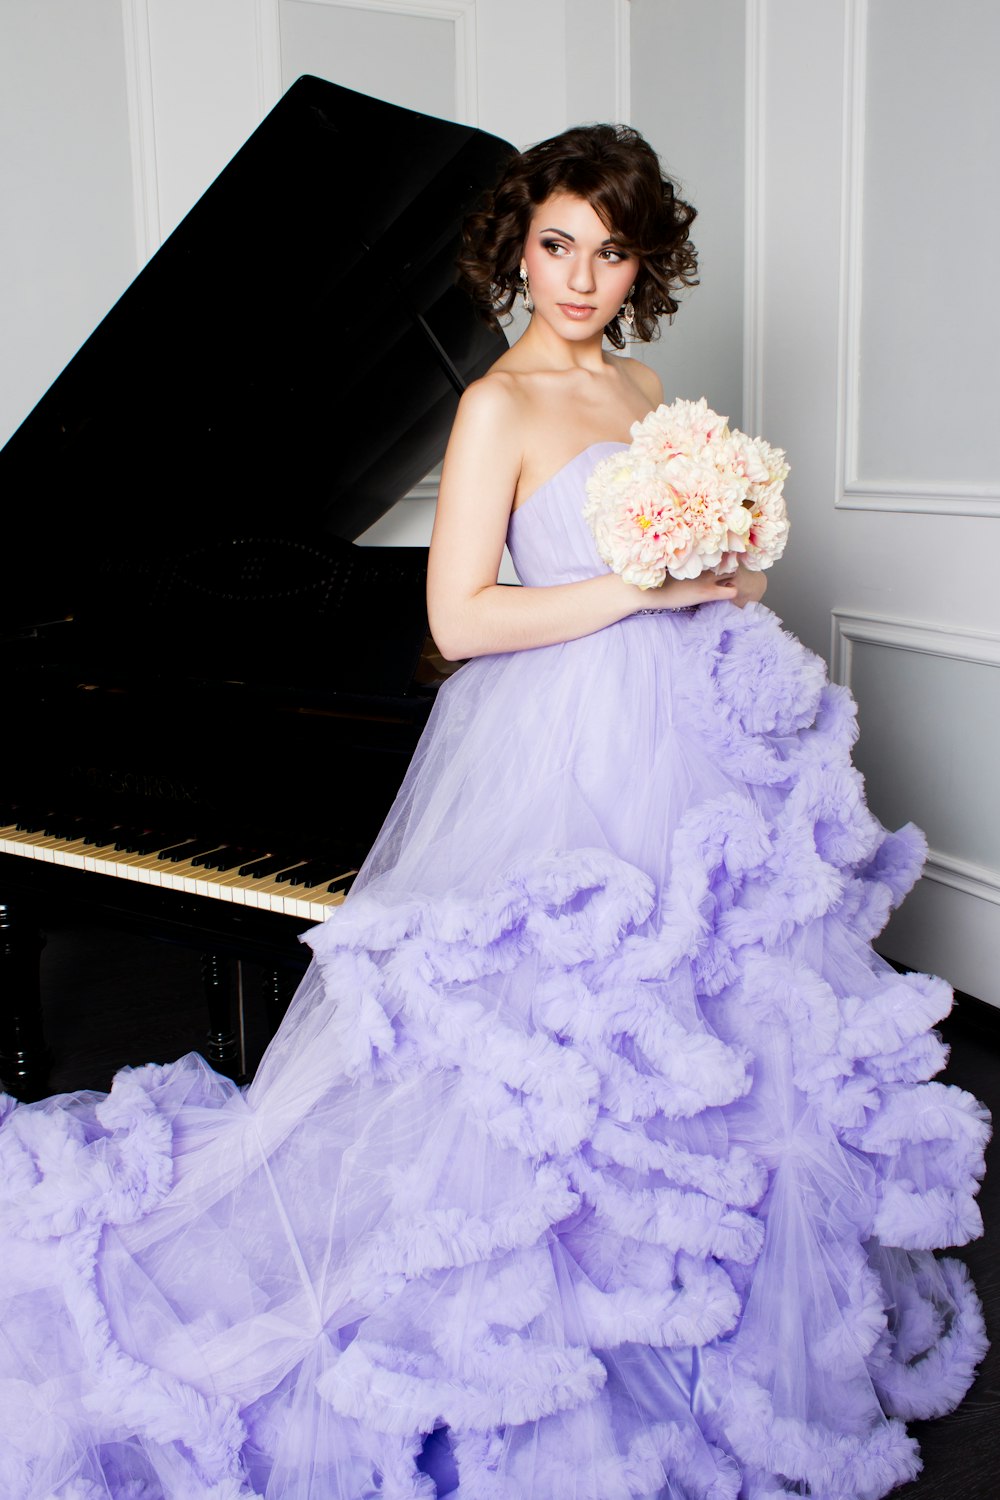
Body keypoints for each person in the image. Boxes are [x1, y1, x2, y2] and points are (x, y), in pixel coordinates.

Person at [0, 124, 988, 1500]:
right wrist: (640, 588)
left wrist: (722, 558)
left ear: (648, 262)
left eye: (611, 249)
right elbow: (461, 619)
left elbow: (701, 570)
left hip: (689, 743)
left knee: (712, 1014)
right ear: (518, 249)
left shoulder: (647, 387)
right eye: (556, 244)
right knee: (551, 1039)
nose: (579, 277)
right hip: (554, 744)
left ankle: (706, 1291)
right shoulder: (497, 406)